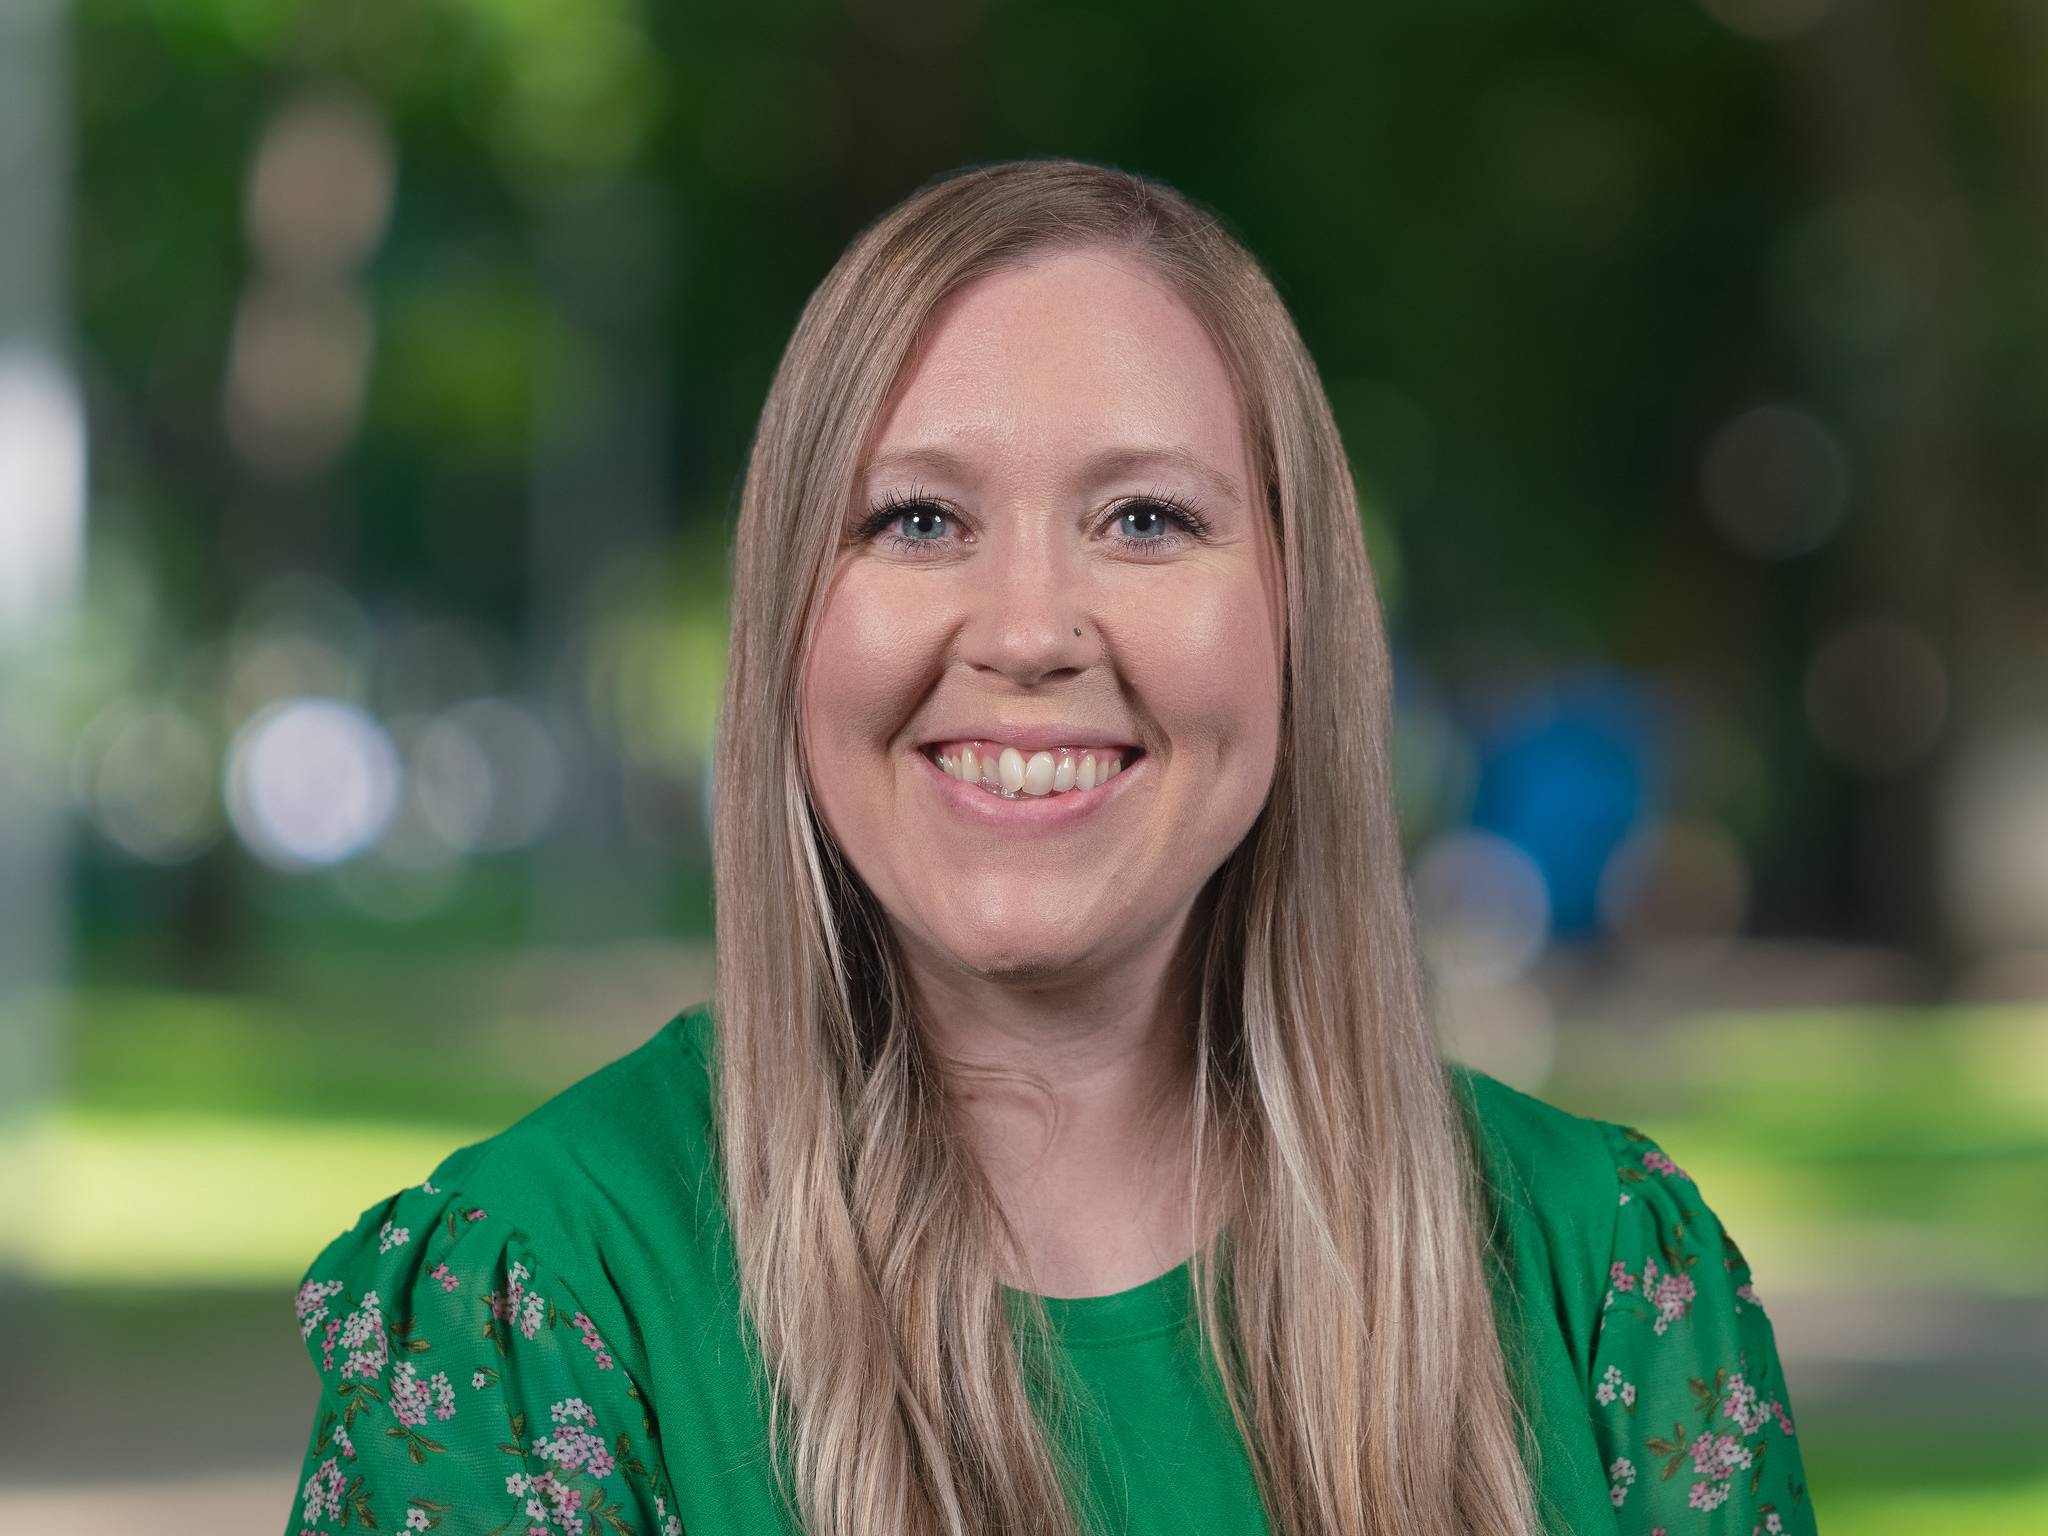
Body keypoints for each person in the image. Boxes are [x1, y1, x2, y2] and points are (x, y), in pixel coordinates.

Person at [283, 159, 1818, 1536]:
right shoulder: (532, 1301)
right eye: (918, 521)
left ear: (1299, 623)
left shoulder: (1604, 1282)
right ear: (785, 628)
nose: (1027, 633)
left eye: (1146, 519)